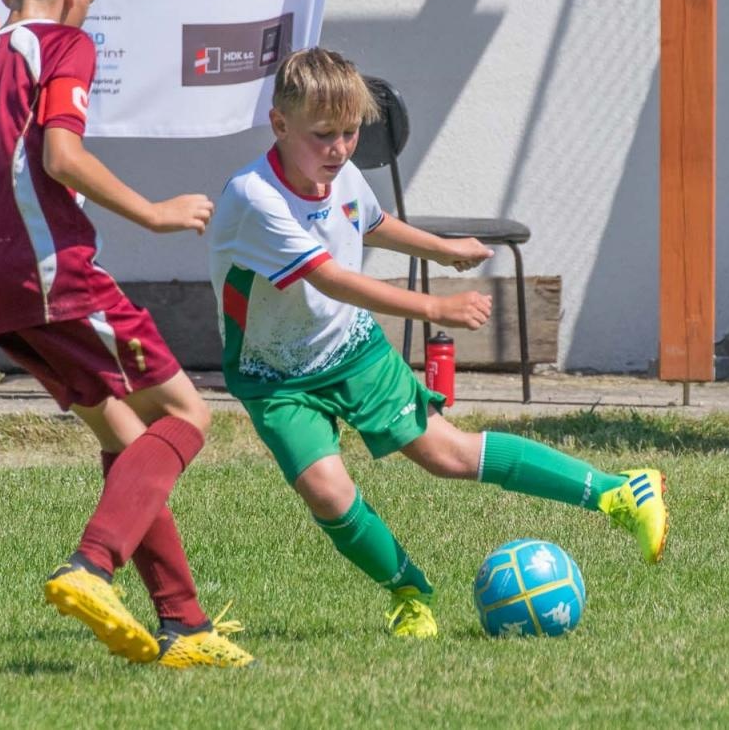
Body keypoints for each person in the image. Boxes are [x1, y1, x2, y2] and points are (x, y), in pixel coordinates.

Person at [0, 0, 254, 669]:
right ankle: (91, 564)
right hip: (54, 272)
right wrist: (154, 213)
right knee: (186, 413)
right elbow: (61, 153)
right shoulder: (65, 44)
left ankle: (185, 624)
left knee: (125, 438)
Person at [207, 48, 669, 639]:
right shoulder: (254, 198)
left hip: (350, 350)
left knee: (446, 454)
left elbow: (369, 223)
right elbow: (330, 277)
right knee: (326, 490)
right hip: (273, 376)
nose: (340, 149)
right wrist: (434, 305)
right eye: (323, 135)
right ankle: (408, 593)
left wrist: (442, 249)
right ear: (279, 124)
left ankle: (621, 493)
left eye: (350, 133)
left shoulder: (339, 173)